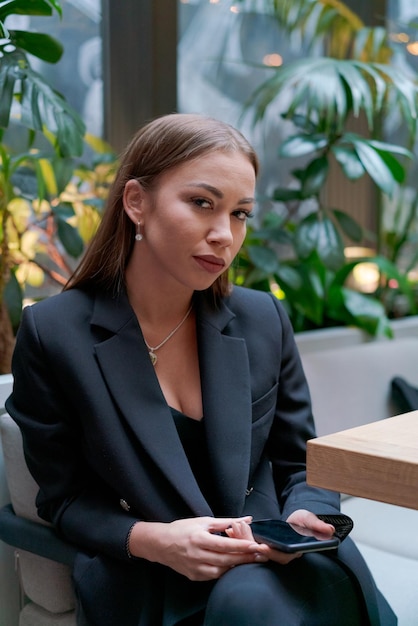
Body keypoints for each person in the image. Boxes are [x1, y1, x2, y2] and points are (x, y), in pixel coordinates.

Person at [6, 113, 396, 626]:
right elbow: (65, 498)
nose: (223, 235)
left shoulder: (263, 319)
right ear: (136, 202)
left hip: (280, 563)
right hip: (160, 579)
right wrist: (154, 540)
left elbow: (299, 465)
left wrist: (307, 516)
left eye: (240, 214)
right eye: (202, 203)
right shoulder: (54, 333)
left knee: (263, 599)